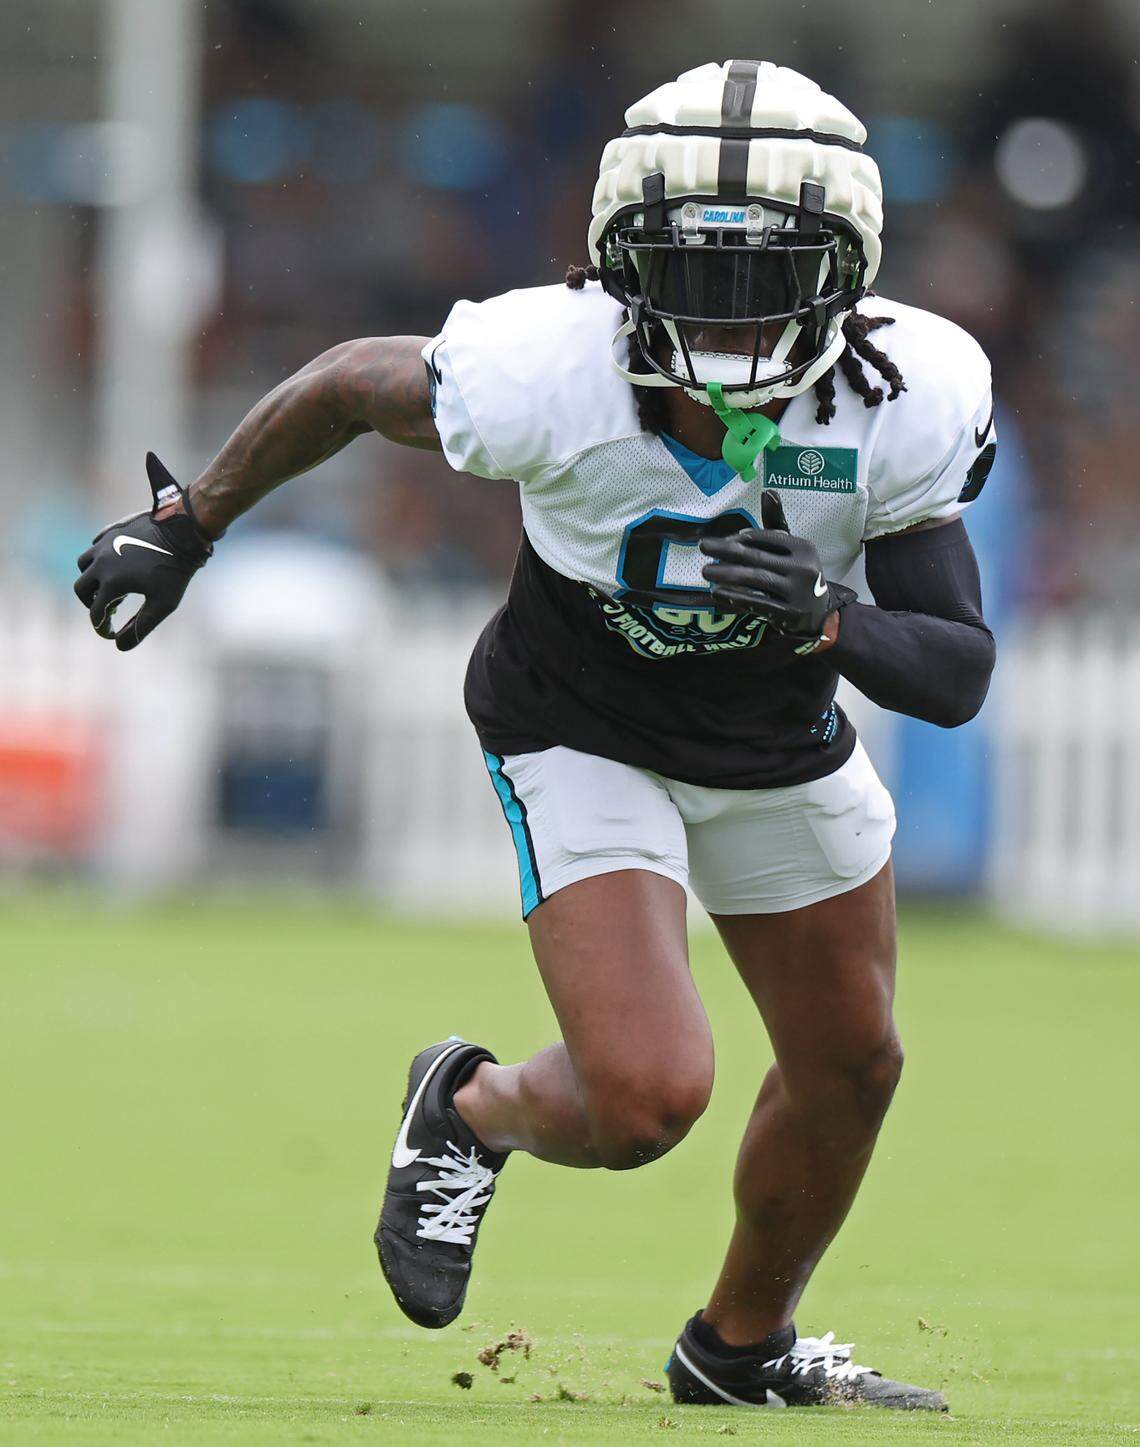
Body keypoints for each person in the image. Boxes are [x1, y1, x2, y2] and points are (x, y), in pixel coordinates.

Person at [74, 60, 996, 1412]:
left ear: (848, 267)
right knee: (646, 1102)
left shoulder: (903, 392)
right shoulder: (539, 366)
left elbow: (959, 669)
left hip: (775, 736)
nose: (729, 314)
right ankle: (471, 1108)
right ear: (619, 264)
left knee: (854, 1062)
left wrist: (830, 625)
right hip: (584, 724)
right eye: (691, 270)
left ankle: (738, 1349)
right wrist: (190, 520)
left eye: (766, 273)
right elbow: (344, 383)